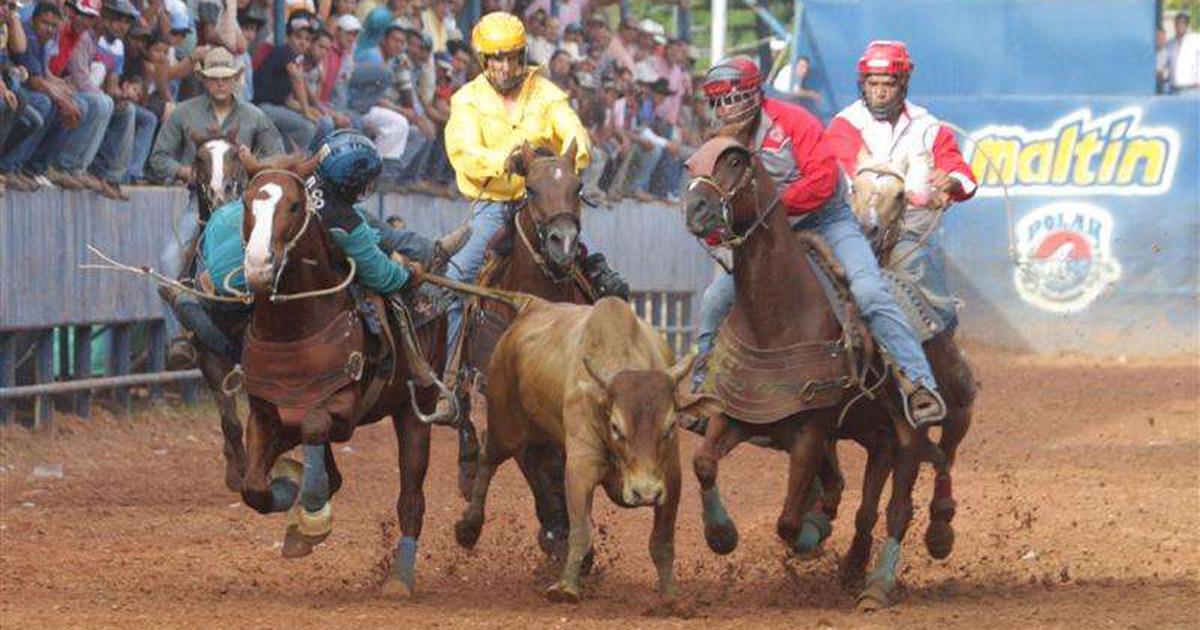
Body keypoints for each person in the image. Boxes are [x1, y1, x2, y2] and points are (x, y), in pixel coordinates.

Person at [693, 55, 946, 427]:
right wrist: (713, 225)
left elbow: (823, 179)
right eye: (720, 100)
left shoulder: (794, 121)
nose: (727, 107)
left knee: (869, 292)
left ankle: (919, 382)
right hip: (768, 232)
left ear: (754, 95)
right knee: (716, 298)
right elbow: (714, 197)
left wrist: (770, 208)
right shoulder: (718, 145)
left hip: (828, 219)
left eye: (735, 97)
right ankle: (704, 381)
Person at [437, 11, 629, 420]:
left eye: (509, 58)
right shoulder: (466, 100)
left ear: (522, 56)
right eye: (493, 59)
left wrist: (566, 160)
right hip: (493, 205)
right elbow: (463, 153)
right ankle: (449, 383)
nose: (502, 67)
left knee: (600, 278)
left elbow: (574, 132)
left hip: (544, 201)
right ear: (482, 61)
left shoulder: (545, 92)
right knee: (457, 281)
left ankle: (617, 369)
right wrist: (503, 161)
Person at [162, 128, 470, 367]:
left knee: (364, 223)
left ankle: (425, 247)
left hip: (214, 265)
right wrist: (408, 275)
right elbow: (382, 277)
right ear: (354, 184)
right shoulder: (342, 223)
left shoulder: (286, 184)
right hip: (242, 295)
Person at [825, 41, 977, 339]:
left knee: (913, 263)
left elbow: (963, 174)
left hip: (909, 226)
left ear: (903, 83)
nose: (880, 91)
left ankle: (940, 341)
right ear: (863, 84)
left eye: (888, 84)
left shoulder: (927, 126)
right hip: (854, 224)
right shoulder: (845, 124)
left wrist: (952, 182)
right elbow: (850, 173)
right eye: (873, 83)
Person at [1166, 10, 1200, 93]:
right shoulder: (1170, 44)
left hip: (1192, 88)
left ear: (1187, 25)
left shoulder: (1196, 40)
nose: (1180, 26)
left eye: (1183, 23)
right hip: (1174, 89)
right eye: (1177, 23)